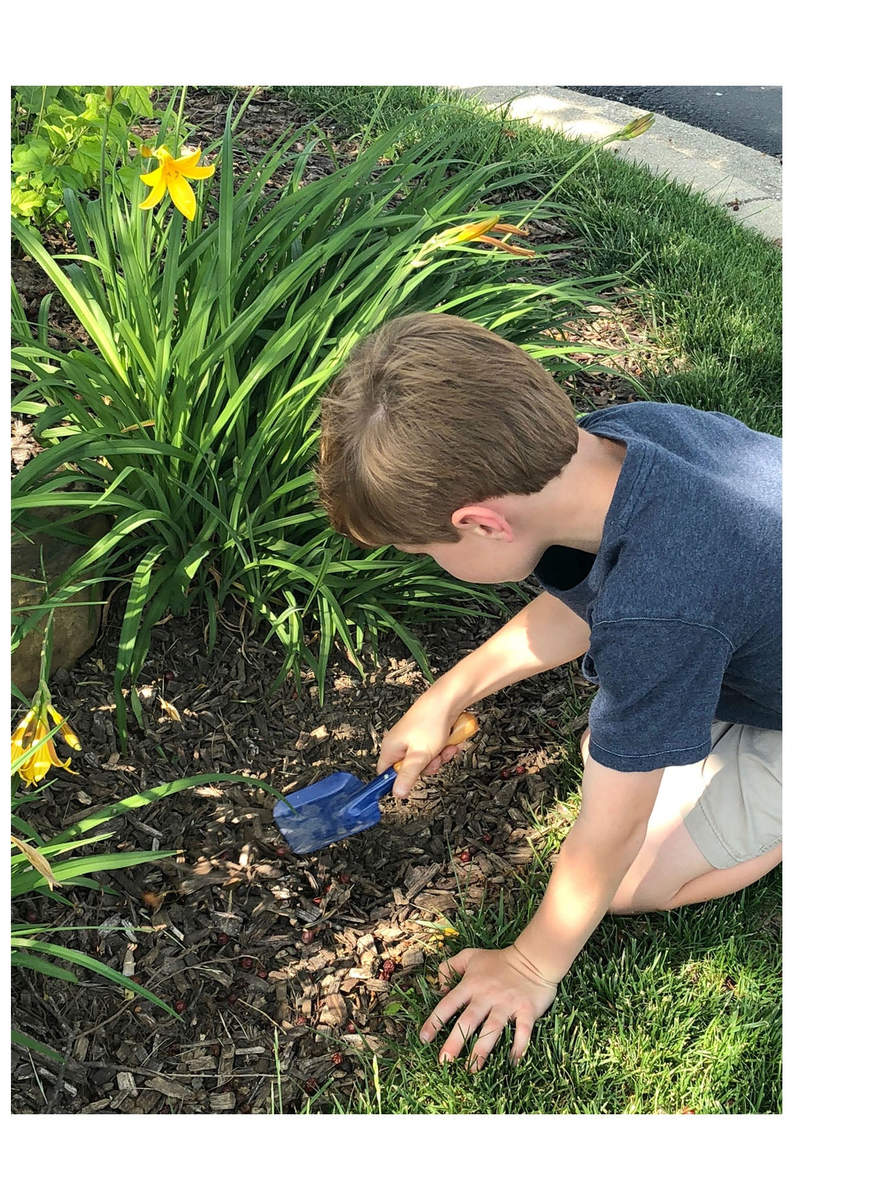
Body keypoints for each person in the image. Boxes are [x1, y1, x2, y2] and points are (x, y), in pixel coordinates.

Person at [316, 311, 781, 1073]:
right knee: (619, 743)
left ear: (482, 524)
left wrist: (533, 965)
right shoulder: (620, 437)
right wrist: (449, 693)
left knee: (626, 880)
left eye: (423, 550)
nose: (427, 560)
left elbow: (611, 832)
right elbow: (587, 600)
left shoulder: (659, 612)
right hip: (758, 623)